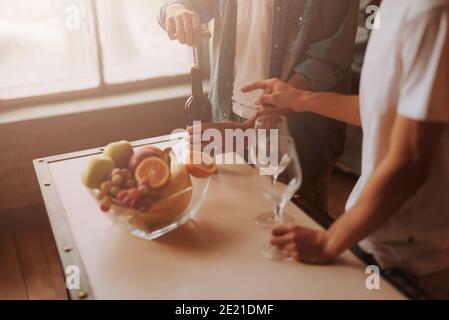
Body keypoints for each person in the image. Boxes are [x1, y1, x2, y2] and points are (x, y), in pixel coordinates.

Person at [242, 0, 449, 299]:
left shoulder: (431, 12)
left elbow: (411, 162)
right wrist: (300, 99)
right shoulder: (393, 7)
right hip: (374, 233)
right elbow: (384, 111)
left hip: (414, 257)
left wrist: (330, 241)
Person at [159, 0, 359, 211]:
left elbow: (329, 58)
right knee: (234, 227)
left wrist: (249, 131)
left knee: (289, 229)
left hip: (293, 138)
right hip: (227, 125)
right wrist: (176, 10)